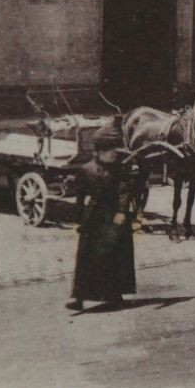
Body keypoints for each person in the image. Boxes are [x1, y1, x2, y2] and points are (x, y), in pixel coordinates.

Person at [66, 124, 143, 313]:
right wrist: (78, 220)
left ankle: (115, 296)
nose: (115, 154)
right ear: (100, 151)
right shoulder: (86, 170)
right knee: (85, 256)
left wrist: (122, 212)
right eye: (111, 151)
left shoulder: (120, 169)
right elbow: (80, 197)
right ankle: (79, 297)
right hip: (93, 218)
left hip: (114, 216)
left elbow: (125, 192)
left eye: (116, 150)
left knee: (114, 256)